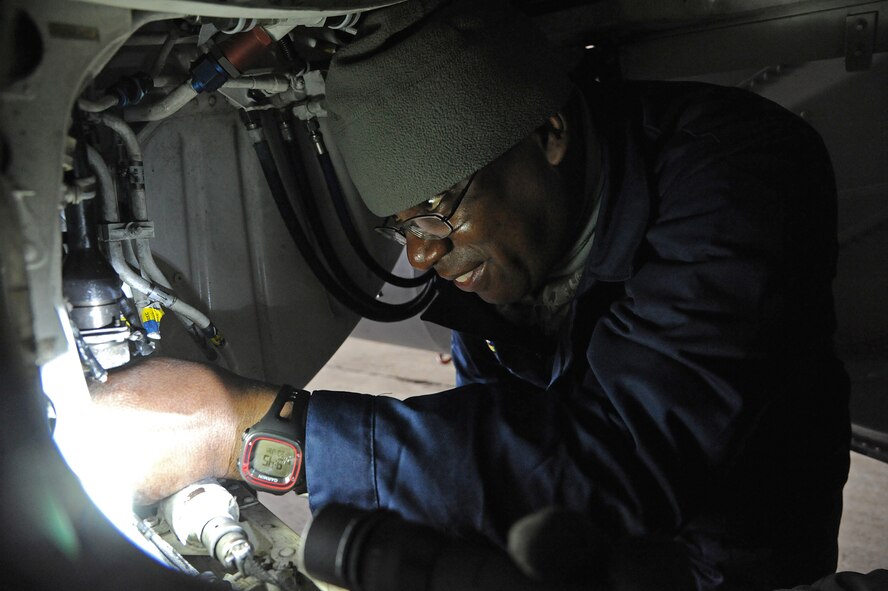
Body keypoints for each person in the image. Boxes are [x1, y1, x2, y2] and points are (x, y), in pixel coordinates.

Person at [90, 1, 852, 589]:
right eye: (401, 225)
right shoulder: (509, 245)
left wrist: (264, 430)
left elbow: (628, 463)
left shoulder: (739, 176)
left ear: (547, 134)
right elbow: (508, 441)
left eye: (435, 210)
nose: (420, 254)